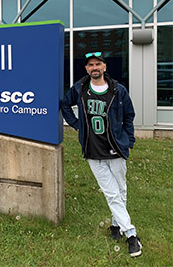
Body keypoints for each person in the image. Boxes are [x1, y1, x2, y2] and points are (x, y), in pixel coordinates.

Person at [60, 51, 142, 258]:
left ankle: (116, 226)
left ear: (105, 67)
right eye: (90, 65)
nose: (94, 68)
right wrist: (77, 125)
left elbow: (129, 117)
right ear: (86, 69)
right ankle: (131, 235)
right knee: (112, 193)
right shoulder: (79, 88)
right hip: (93, 150)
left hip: (116, 148)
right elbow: (64, 105)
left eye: (98, 64)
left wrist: (129, 141)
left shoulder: (118, 90)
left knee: (121, 189)